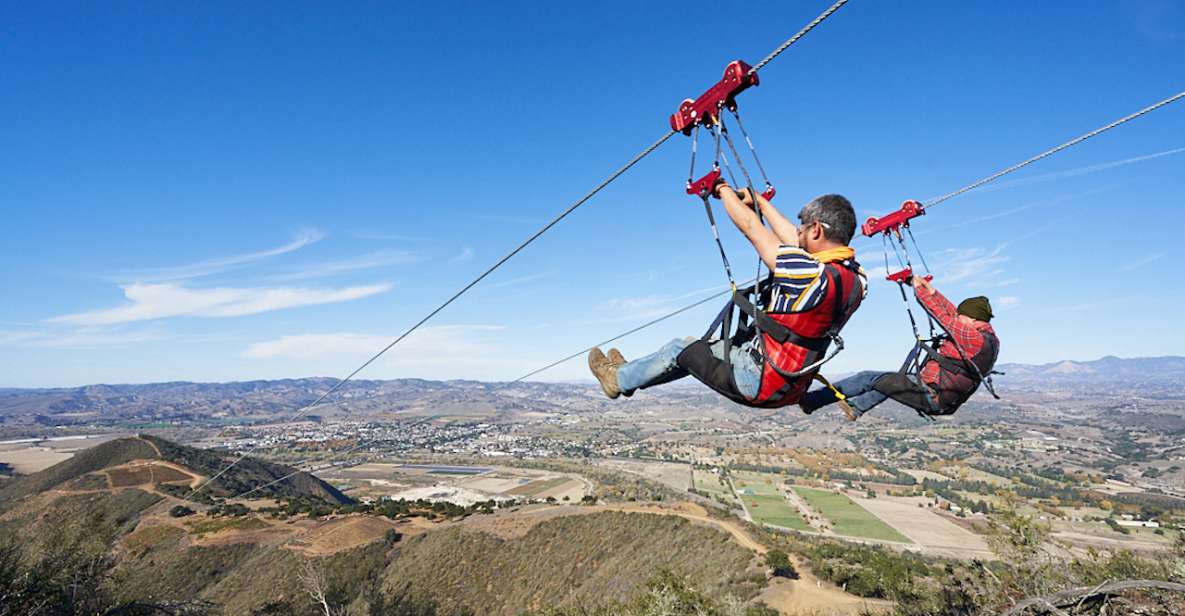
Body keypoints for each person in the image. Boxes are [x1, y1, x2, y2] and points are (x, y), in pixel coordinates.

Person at [588, 183, 866, 410]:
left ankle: (618, 379)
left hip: (760, 379)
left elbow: (751, 228)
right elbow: (795, 243)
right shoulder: (857, 280)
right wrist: (762, 203)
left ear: (816, 229)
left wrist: (720, 189)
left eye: (803, 229)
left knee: (678, 349)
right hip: (792, 383)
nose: (798, 235)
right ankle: (628, 376)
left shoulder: (808, 273)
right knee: (695, 350)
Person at [798, 275, 999, 420]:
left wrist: (918, 289)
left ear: (972, 318)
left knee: (867, 378)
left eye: (962, 316)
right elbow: (953, 313)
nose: (957, 317)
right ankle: (856, 408)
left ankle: (811, 401)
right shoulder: (989, 339)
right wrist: (932, 291)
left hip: (932, 395)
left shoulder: (972, 337)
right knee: (888, 382)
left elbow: (943, 316)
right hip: (941, 395)